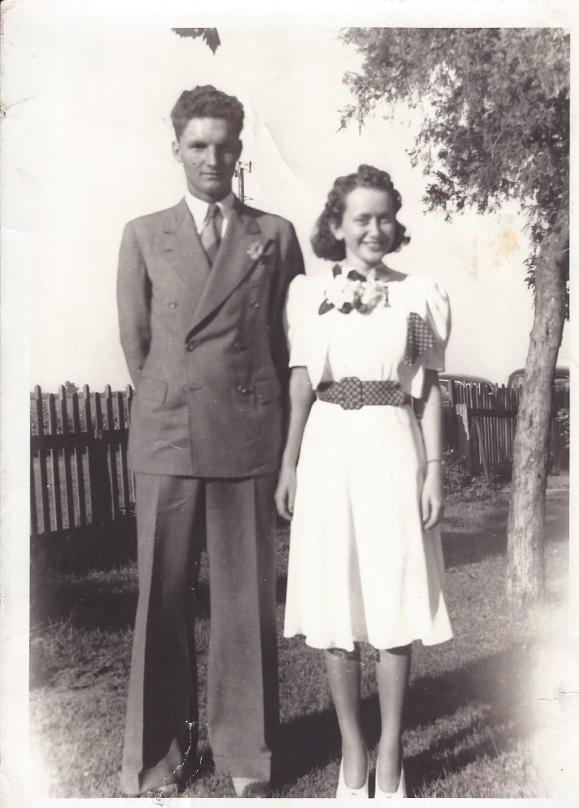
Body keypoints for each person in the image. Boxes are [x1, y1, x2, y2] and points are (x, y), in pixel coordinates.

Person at [117, 85, 304, 798]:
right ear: (177, 150)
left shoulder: (274, 235)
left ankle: (245, 758)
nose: (212, 158)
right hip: (166, 436)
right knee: (159, 600)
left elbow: (290, 346)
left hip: (247, 434)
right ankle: (157, 756)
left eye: (225, 144)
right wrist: (171, 397)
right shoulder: (143, 233)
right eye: (198, 144)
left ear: (239, 148)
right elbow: (138, 345)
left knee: (245, 603)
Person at [275, 164, 452, 798]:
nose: (375, 229)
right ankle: (353, 748)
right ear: (336, 226)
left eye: (384, 218)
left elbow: (429, 388)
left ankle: (392, 748)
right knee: (336, 599)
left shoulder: (419, 295)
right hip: (327, 449)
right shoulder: (308, 292)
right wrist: (290, 461)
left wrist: (433, 470)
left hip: (391, 446)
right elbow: (300, 384)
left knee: (392, 592)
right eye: (361, 218)